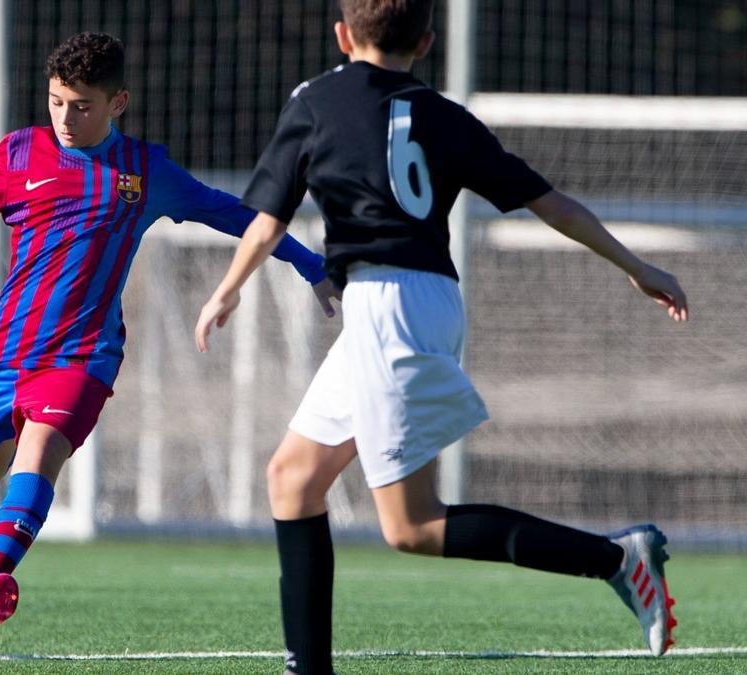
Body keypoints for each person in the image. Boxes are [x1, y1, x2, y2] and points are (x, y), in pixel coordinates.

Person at [193, 1, 688, 672]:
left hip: (387, 305)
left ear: (342, 35)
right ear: (425, 42)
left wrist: (228, 286)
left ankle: (615, 559)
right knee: (293, 478)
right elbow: (552, 203)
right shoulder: (447, 117)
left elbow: (268, 220)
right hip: (420, 299)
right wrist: (637, 267)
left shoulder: (316, 98)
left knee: (413, 525)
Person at [0, 31, 334, 648]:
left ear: (118, 103)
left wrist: (311, 263)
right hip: (3, 354)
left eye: (82, 104)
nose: (65, 117)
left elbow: (233, 213)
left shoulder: (144, 171)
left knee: (37, 457)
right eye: (57, 101)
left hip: (83, 357)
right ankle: (10, 524)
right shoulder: (18, 154)